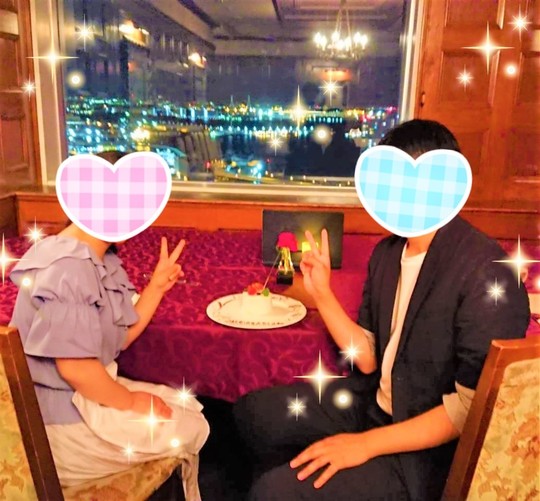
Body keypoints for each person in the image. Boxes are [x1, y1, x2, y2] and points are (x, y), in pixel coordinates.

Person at [233, 119, 531, 500]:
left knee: (272, 492)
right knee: (252, 414)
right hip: (373, 404)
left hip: (425, 454)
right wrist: (322, 293)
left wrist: (366, 445)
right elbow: (368, 357)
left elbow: (469, 409)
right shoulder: (388, 253)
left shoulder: (487, 272)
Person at [9, 221, 209, 500]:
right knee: (189, 427)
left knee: (188, 410)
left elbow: (120, 337)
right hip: (57, 428)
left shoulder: (92, 255)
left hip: (85, 397)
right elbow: (76, 369)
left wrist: (156, 287)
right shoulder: (69, 267)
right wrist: (131, 401)